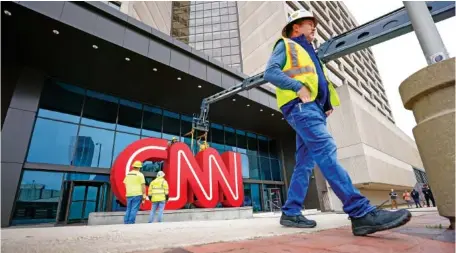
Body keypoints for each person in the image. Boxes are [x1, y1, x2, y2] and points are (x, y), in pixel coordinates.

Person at [263, 9, 411, 236]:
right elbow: (270, 73)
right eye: (310, 24)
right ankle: (360, 213)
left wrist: (327, 103)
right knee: (326, 150)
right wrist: (297, 87)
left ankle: (291, 211)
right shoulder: (287, 45)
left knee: (304, 163)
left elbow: (319, 80)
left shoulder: (310, 52)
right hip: (301, 106)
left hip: (313, 108)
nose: (314, 27)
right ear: (296, 27)